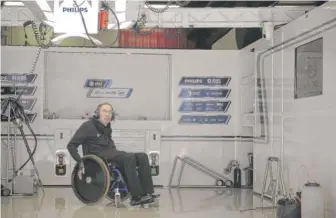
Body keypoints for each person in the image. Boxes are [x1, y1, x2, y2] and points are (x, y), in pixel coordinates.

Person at [67, 102, 159, 206]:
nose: (107, 114)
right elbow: (71, 145)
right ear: (97, 113)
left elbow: (110, 147)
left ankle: (148, 192)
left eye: (110, 112)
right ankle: (136, 196)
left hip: (112, 154)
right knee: (129, 158)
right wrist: (80, 162)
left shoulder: (106, 127)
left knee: (142, 156)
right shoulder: (87, 126)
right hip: (99, 158)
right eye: (104, 111)